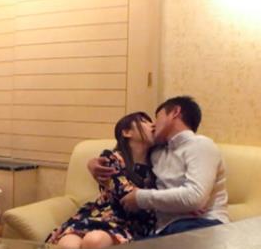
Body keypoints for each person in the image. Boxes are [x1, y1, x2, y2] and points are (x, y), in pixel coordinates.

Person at [89, 96, 229, 237]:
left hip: (202, 224)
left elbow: (194, 197)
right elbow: (125, 154)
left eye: (157, 118)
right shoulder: (157, 152)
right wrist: (93, 164)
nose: (154, 125)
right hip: (162, 230)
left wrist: (140, 198)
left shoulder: (200, 145)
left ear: (175, 112)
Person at [46, 112, 158, 249]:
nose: (152, 125)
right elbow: (122, 192)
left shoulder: (159, 160)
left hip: (131, 223)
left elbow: (135, 202)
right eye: (144, 122)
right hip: (102, 215)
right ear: (127, 132)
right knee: (67, 245)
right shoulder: (111, 157)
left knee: (95, 241)